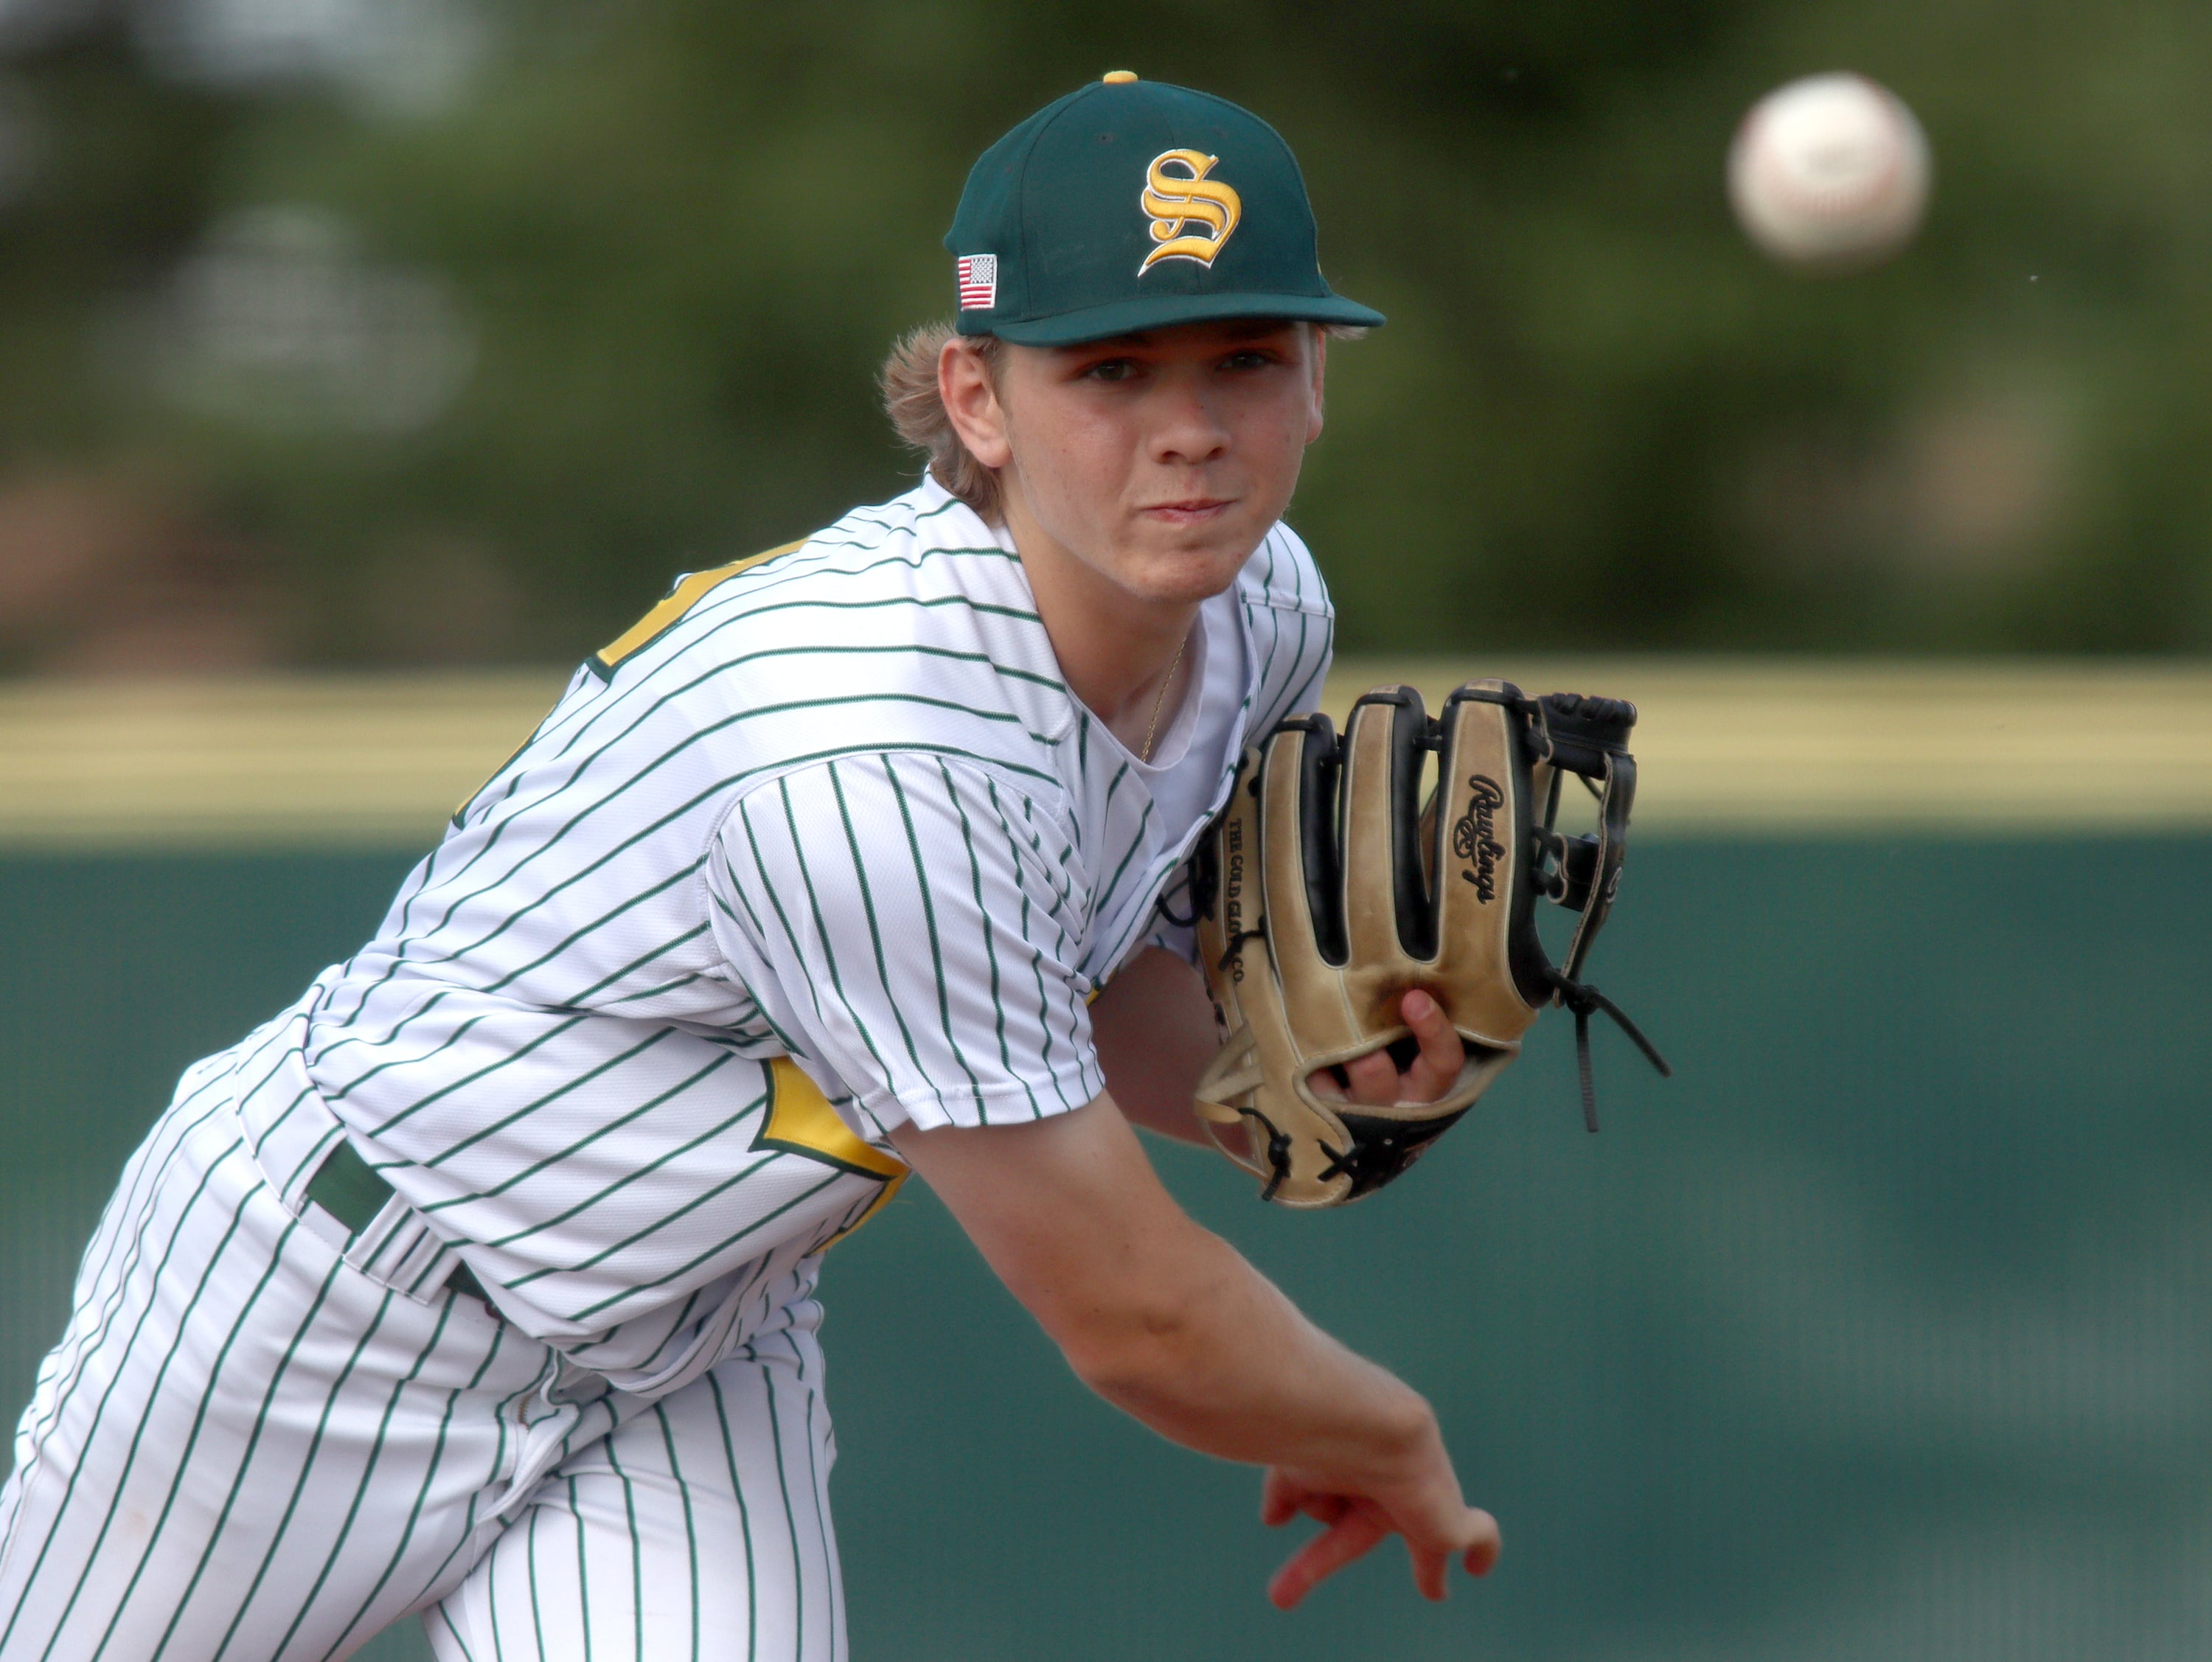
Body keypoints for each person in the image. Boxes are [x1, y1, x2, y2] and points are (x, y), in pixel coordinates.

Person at [0, 73, 1498, 1661]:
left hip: (692, 1342)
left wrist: (1301, 1085)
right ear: (981, 400)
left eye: (1247, 358)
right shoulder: (869, 748)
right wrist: (1371, 1418)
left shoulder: (1267, 609)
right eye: (1113, 366)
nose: (1190, 426)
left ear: (1318, 378)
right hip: (329, 1315)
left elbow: (1075, 971)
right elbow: (1129, 1308)